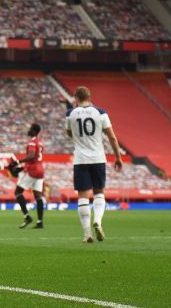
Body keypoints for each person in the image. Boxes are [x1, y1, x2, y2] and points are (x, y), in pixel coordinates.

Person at [66, 86, 123, 243]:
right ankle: (97, 220)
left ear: (76, 98)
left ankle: (87, 234)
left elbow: (69, 133)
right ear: (89, 97)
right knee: (99, 192)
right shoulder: (101, 112)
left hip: (81, 159)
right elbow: (111, 137)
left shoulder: (71, 113)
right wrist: (118, 157)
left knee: (83, 196)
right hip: (98, 158)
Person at [11, 124, 45, 229]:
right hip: (40, 171)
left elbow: (31, 156)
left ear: (34, 131)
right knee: (38, 196)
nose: (28, 130)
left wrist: (18, 161)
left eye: (30, 129)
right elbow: (35, 158)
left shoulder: (32, 142)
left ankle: (27, 216)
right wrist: (22, 167)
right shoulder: (40, 143)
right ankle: (40, 222)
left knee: (17, 192)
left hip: (32, 171)